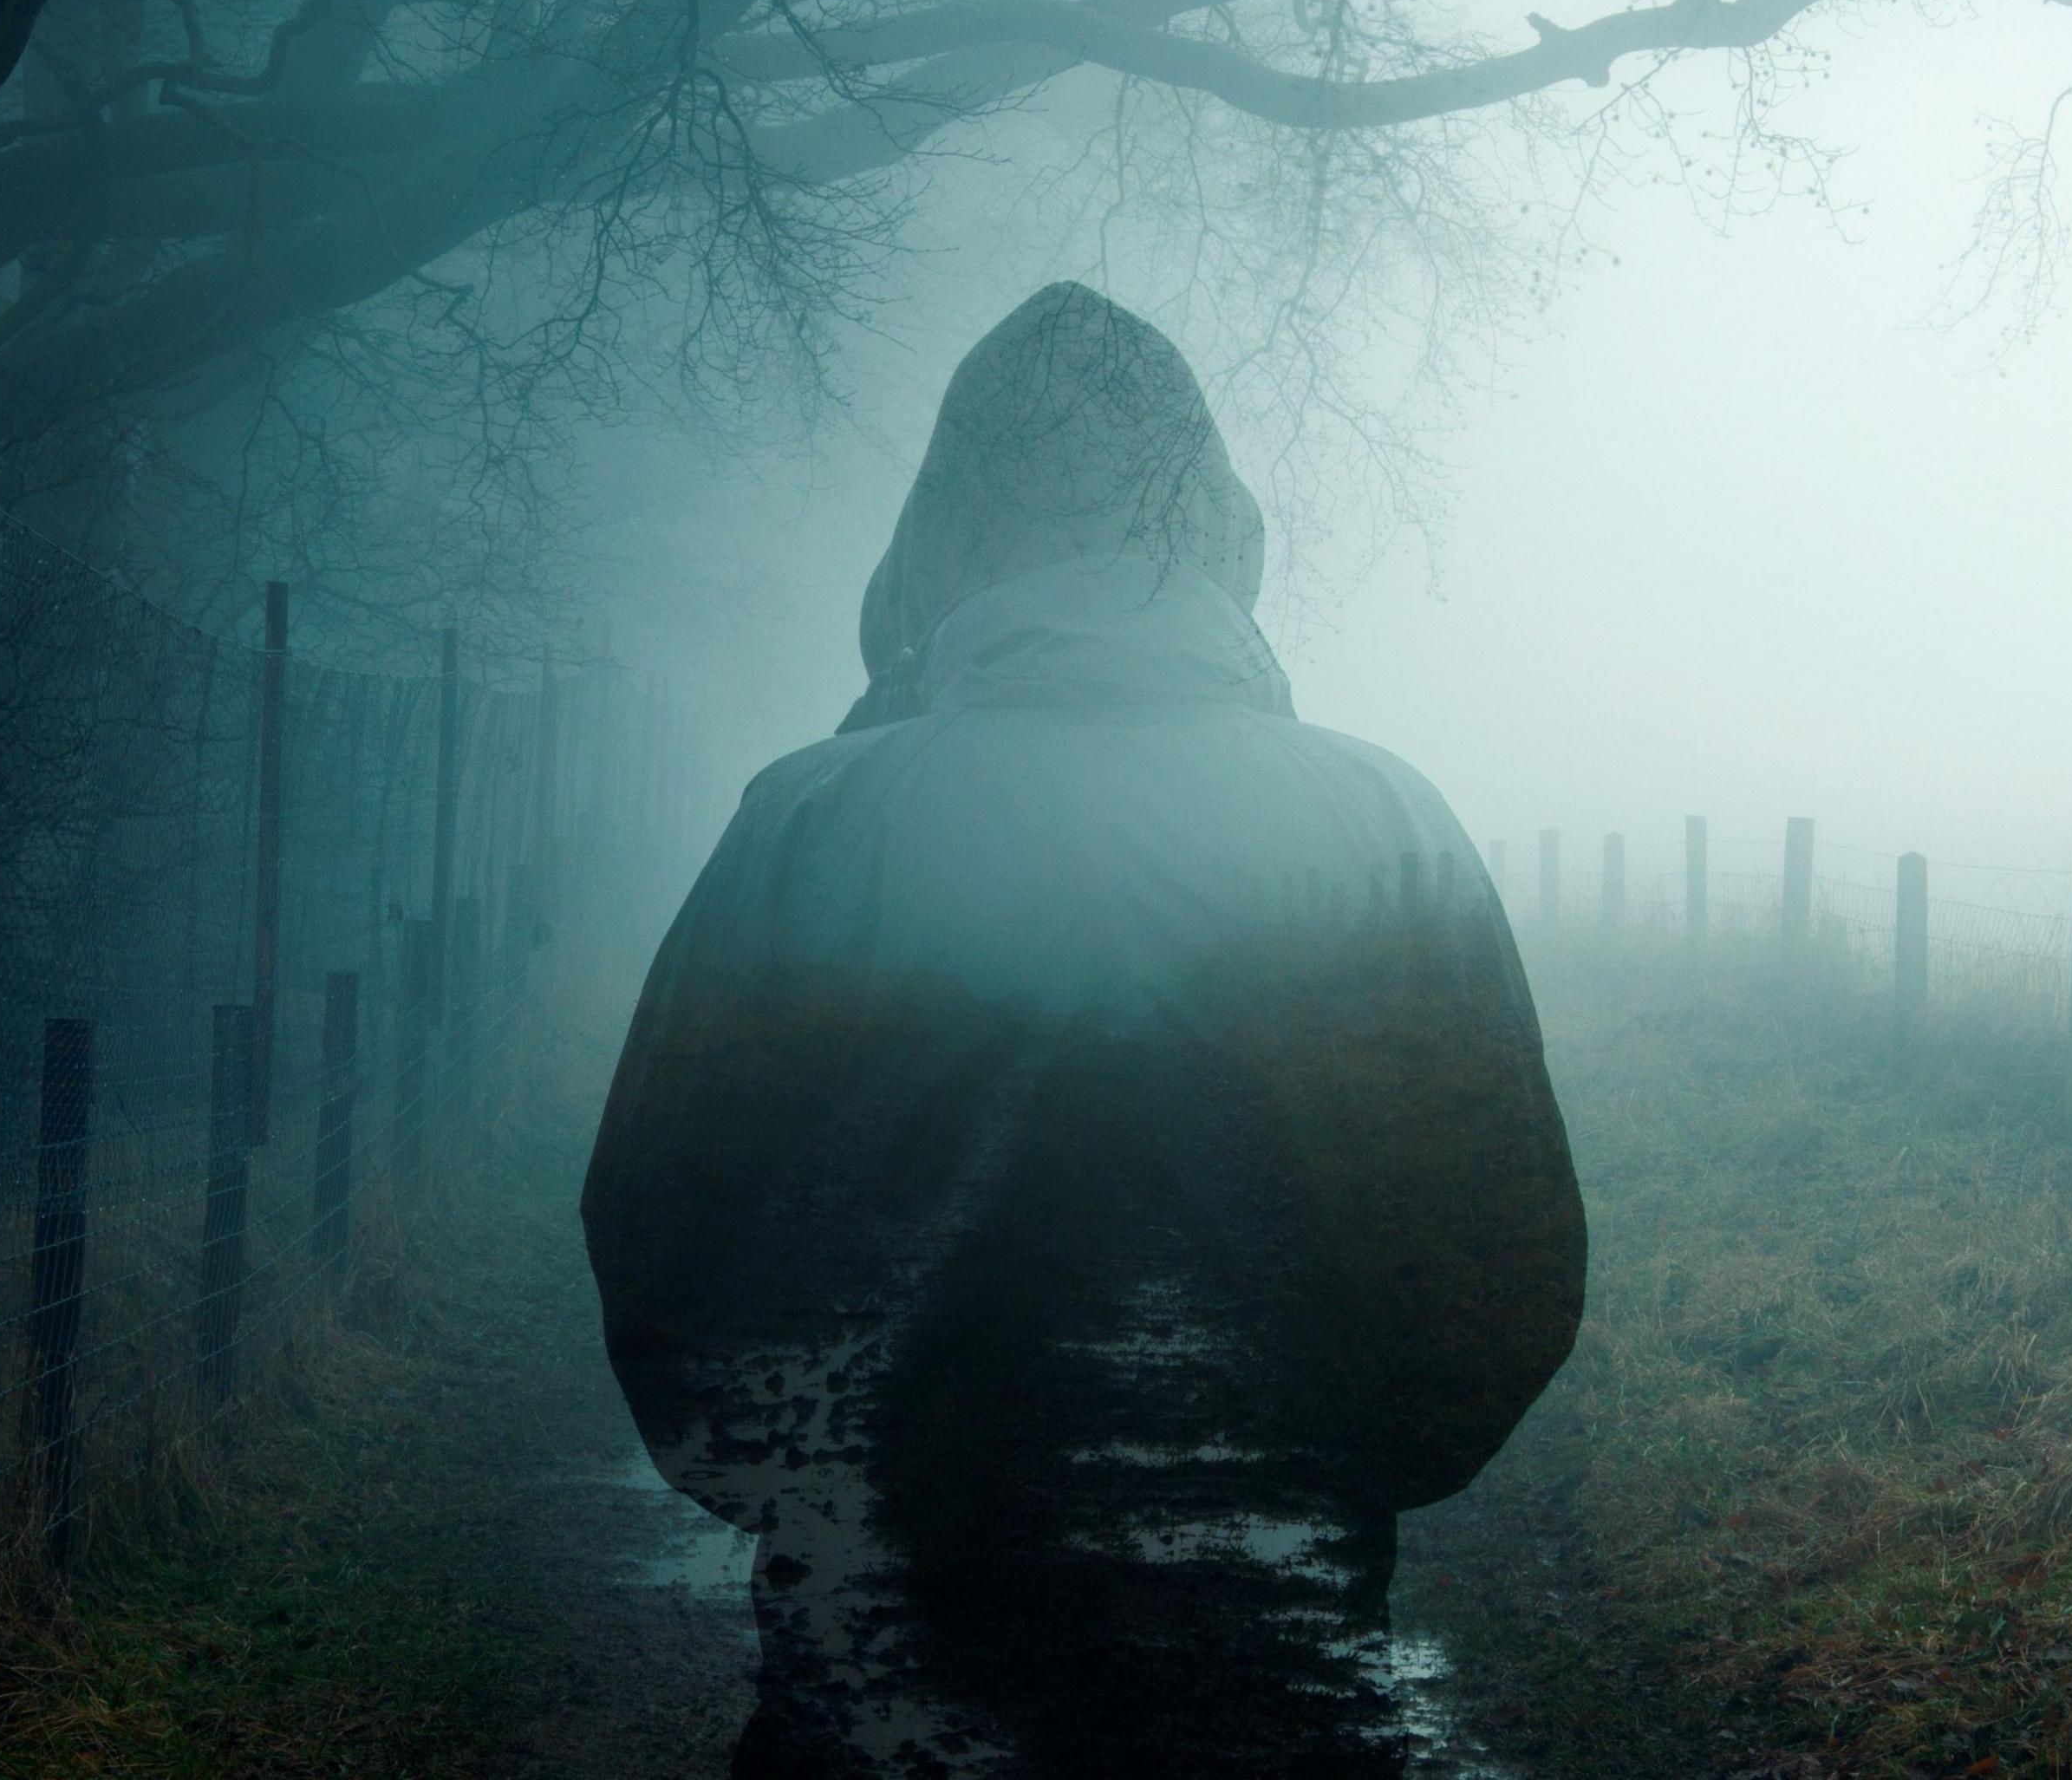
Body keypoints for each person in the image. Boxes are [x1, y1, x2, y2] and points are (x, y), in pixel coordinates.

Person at [581, 283, 1587, 1778]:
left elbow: (668, 1230)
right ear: (1218, 527)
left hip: (882, 1664)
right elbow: (1495, 1250)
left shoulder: (812, 824)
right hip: (1278, 1665)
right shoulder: (1379, 826)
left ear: (949, 530)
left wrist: (822, 1486)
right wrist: (1331, 1478)